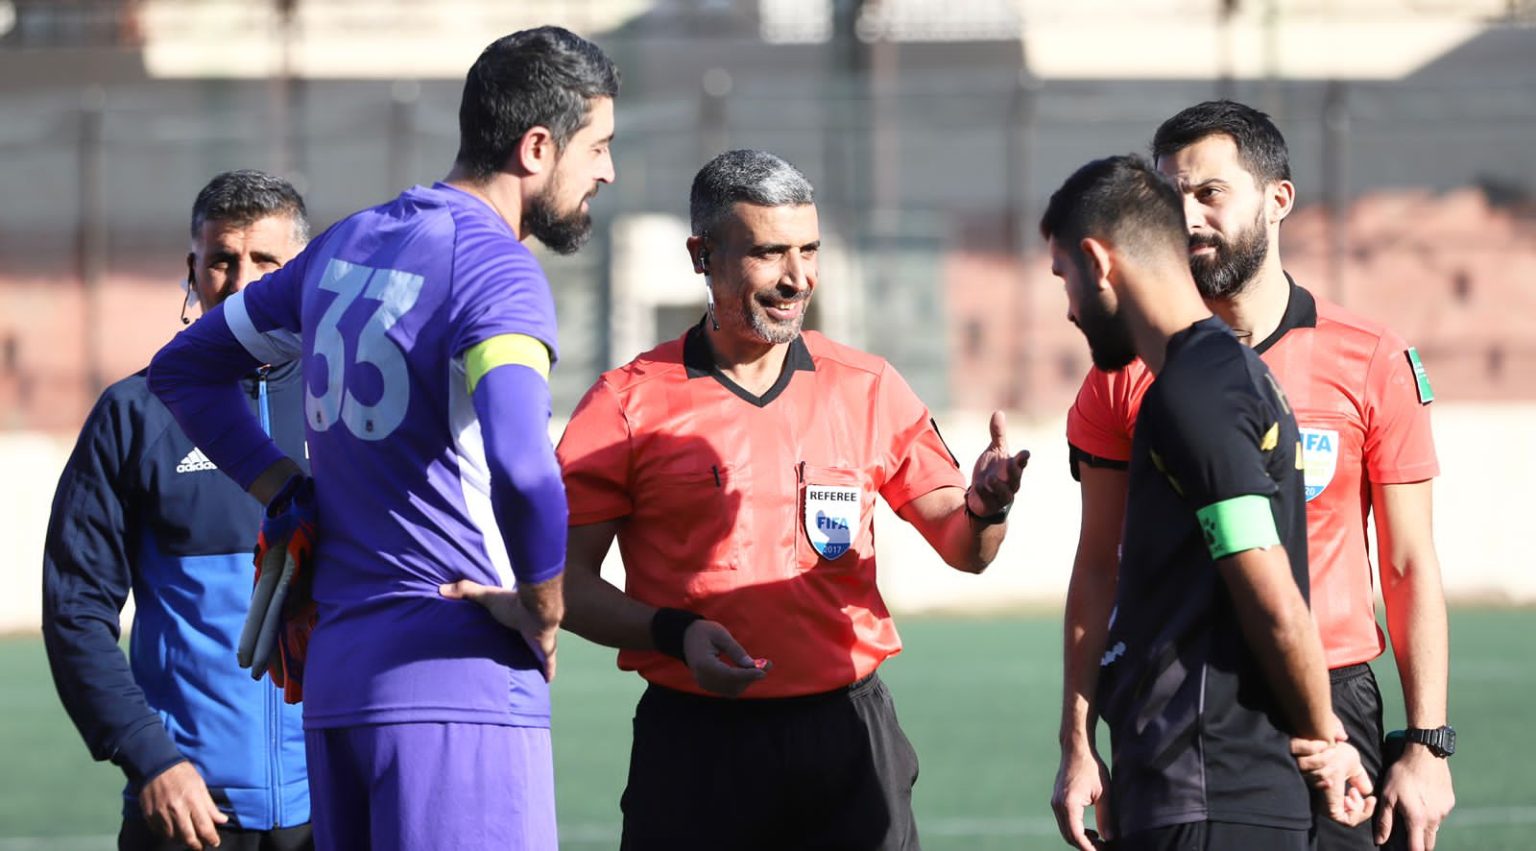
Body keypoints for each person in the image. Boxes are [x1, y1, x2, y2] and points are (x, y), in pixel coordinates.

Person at [451, 148, 1029, 850]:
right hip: (696, 749)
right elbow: (562, 579)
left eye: (809, 250)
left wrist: (987, 506)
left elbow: (965, 548)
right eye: (768, 252)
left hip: (849, 741)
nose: (797, 277)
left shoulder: (869, 387)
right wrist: (675, 634)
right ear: (703, 256)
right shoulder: (627, 403)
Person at [145, 26, 619, 851]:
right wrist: (544, 605)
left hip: (339, 692)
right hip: (458, 687)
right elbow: (525, 469)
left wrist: (285, 489)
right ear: (538, 147)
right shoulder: (497, 269)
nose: (608, 171)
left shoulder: (347, 243)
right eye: (599, 146)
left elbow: (184, 367)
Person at [1049, 102, 1453, 851]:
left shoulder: (1370, 358)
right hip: (1187, 711)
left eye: (1210, 192)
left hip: (1335, 695)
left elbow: (1407, 562)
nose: (1189, 217)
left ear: (1278, 199)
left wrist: (1428, 743)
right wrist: (1078, 740)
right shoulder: (1126, 373)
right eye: (1172, 196)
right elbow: (1098, 564)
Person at [43, 170, 313, 851]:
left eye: (265, 260)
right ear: (192, 271)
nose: (240, 282)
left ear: (301, 273)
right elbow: (76, 609)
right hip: (190, 813)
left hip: (334, 801)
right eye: (221, 259)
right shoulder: (134, 413)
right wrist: (151, 757)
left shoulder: (348, 407)